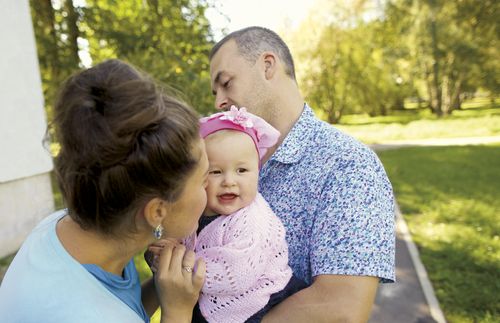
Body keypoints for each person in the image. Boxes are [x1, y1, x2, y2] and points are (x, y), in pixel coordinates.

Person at [208, 26, 396, 322]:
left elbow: (341, 307)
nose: (218, 101)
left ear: (267, 66)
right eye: (215, 91)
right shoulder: (225, 160)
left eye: (226, 83)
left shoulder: (348, 165)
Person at [0, 59, 209, 323]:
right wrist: (178, 312)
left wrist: (160, 286)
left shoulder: (65, 226)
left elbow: (121, 305)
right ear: (157, 211)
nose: (211, 189)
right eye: (203, 180)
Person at [189, 106, 307, 323]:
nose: (229, 181)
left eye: (241, 170)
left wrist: (184, 266)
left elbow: (237, 274)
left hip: (259, 300)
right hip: (211, 292)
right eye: (216, 172)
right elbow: (187, 239)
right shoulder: (199, 209)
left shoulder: (254, 220)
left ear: (257, 172)